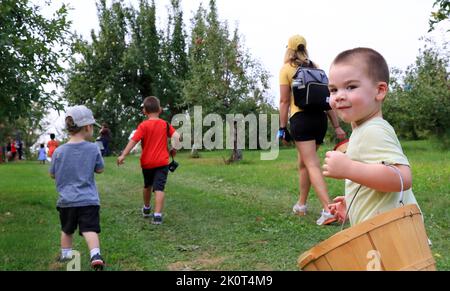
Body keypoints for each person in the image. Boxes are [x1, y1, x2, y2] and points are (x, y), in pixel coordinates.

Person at [324, 47, 420, 226]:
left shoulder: (373, 130)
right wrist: (357, 203)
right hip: (385, 235)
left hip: (393, 240)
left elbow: (402, 178)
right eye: (333, 89)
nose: (339, 96)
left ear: (380, 90)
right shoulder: (364, 130)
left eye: (351, 87)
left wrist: (348, 168)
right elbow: (379, 177)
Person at [278, 34, 346, 225]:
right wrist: (337, 126)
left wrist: (282, 128)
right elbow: (327, 101)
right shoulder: (315, 68)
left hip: (301, 119)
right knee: (304, 163)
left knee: (311, 164)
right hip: (319, 120)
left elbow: (284, 101)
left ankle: (328, 210)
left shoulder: (286, 69)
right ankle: (301, 204)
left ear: (289, 49)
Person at [50, 105, 106, 270]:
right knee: (90, 229)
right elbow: (100, 169)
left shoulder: (59, 151)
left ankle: (66, 255)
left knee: (67, 230)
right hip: (88, 200)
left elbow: (52, 174)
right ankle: (95, 254)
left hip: (66, 200)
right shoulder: (93, 148)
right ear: (88, 127)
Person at [117, 96, 181, 225]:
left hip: (147, 163)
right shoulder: (165, 125)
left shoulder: (143, 126)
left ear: (144, 111)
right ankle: (157, 215)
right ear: (160, 110)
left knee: (147, 185)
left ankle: (146, 208)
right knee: (159, 188)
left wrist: (123, 154)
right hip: (162, 162)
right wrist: (174, 148)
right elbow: (177, 137)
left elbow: (133, 140)